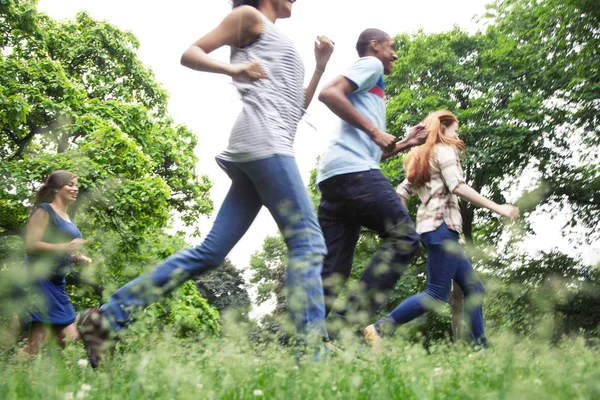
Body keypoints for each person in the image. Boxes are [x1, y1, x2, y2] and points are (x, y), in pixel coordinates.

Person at [78, 0, 335, 368]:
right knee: (308, 243)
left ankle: (108, 316)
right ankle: (313, 357)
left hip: (267, 142)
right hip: (266, 143)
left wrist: (319, 68)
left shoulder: (277, 36)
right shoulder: (249, 17)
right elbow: (190, 53)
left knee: (211, 252)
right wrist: (235, 68)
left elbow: (295, 107)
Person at [364, 110, 520, 354]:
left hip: (433, 230)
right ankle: (380, 329)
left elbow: (400, 194)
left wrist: (403, 225)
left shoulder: (421, 157)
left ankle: (481, 350)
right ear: (443, 127)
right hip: (441, 229)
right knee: (436, 293)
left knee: (474, 288)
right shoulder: (445, 150)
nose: (456, 135)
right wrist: (498, 207)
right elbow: (457, 186)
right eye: (454, 129)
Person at [316, 28, 427, 331]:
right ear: (374, 46)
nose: (395, 54)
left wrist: (405, 143)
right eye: (392, 47)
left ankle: (301, 340)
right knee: (405, 238)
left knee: (332, 271)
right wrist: (375, 131)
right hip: (354, 173)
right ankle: (345, 329)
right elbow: (327, 93)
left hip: (335, 177)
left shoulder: (371, 92)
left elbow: (372, 153)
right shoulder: (371, 64)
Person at [21, 170, 92, 355]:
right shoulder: (45, 210)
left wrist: (75, 258)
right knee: (40, 341)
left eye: (76, 185)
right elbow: (31, 246)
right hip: (39, 278)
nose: (75, 189)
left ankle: (29, 374)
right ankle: (16, 377)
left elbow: (59, 252)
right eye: (70, 184)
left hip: (56, 282)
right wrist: (66, 247)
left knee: (69, 336)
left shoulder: (69, 218)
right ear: (56, 188)